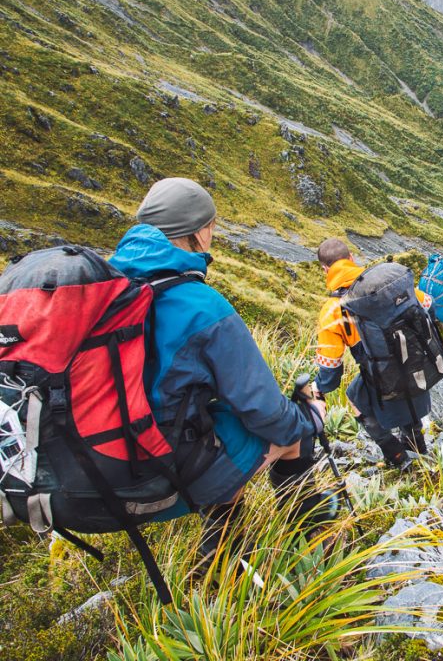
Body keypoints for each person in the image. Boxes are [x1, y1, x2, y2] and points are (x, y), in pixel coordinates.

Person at [109, 177, 333, 566]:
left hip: (96, 474)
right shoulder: (202, 307)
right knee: (291, 433)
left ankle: (223, 554)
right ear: (198, 233)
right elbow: (265, 411)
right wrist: (310, 417)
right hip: (155, 476)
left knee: (221, 426)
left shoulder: (106, 288)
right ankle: (308, 538)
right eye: (211, 226)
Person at [312, 239, 432, 469]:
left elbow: (331, 370)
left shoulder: (332, 309)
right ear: (352, 259)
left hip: (380, 371)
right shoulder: (390, 285)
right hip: (414, 359)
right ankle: (416, 444)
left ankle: (395, 454)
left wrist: (319, 387)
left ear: (325, 270)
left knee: (354, 397)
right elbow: (427, 305)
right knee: (405, 385)